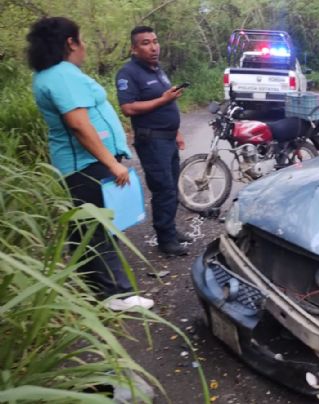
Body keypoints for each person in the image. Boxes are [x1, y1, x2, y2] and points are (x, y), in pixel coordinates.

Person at [28, 16, 154, 311]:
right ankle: (118, 295)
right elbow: (79, 125)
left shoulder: (51, 73)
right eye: (81, 38)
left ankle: (91, 290)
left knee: (84, 229)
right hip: (86, 164)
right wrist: (112, 163)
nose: (84, 45)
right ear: (70, 42)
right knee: (98, 229)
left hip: (82, 164)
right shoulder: (61, 74)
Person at [115, 26, 190, 257]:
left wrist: (176, 130)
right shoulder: (128, 73)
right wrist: (162, 99)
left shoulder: (158, 70)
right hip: (152, 140)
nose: (153, 46)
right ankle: (165, 239)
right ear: (134, 49)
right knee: (163, 189)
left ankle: (170, 229)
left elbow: (168, 102)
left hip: (168, 138)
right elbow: (128, 108)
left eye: (155, 41)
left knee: (172, 187)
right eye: (146, 43)